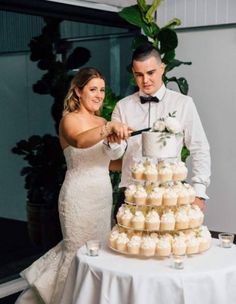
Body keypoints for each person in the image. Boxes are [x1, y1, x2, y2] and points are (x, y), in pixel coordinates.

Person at [16, 67, 132, 304]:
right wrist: (110, 128)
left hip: (101, 196)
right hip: (78, 197)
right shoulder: (69, 120)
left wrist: (135, 155)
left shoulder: (102, 121)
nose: (99, 95)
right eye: (93, 89)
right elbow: (80, 141)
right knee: (77, 252)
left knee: (98, 253)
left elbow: (110, 164)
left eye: (102, 89)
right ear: (78, 91)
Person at [112, 42, 211, 217]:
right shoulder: (123, 106)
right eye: (139, 75)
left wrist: (199, 191)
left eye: (151, 73)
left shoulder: (183, 104)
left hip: (171, 193)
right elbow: (114, 154)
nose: (145, 80)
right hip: (133, 192)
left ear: (162, 68)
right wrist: (114, 139)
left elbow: (199, 147)